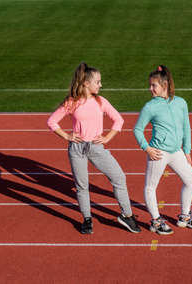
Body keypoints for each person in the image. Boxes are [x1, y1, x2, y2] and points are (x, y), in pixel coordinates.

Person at [47, 62, 140, 234]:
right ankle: (87, 219)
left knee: (119, 177)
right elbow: (52, 121)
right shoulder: (71, 102)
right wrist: (67, 136)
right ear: (86, 83)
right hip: (77, 149)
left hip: (96, 148)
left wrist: (107, 138)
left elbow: (119, 120)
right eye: (97, 82)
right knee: (82, 186)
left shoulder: (100, 101)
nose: (101, 85)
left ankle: (127, 215)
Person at [133, 65, 192, 235]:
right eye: (150, 85)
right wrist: (147, 148)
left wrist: (187, 150)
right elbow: (137, 129)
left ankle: (185, 216)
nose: (150, 89)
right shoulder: (150, 106)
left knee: (191, 178)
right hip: (158, 152)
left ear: (164, 86)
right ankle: (156, 221)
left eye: (153, 85)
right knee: (151, 187)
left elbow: (186, 127)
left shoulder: (180, 102)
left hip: (176, 151)